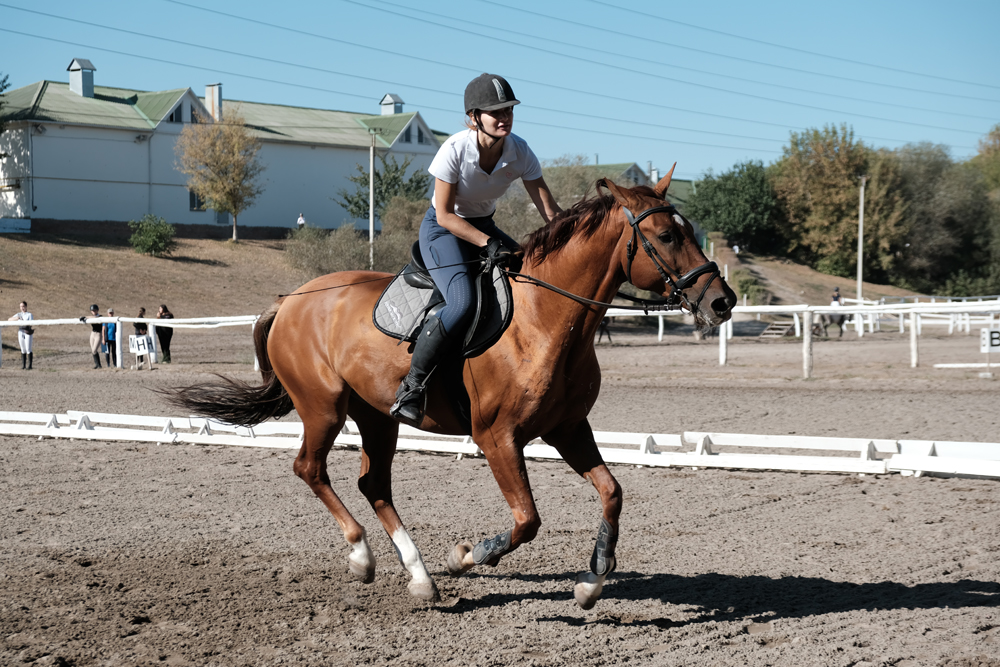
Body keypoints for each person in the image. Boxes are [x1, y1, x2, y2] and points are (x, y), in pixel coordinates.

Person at [390, 73, 563, 427]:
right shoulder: (453, 150)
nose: (505, 117)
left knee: (528, 281)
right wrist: (488, 242)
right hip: (443, 230)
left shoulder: (520, 151)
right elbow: (444, 214)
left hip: (484, 226)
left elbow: (549, 211)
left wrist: (573, 237)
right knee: (462, 301)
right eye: (495, 111)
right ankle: (412, 387)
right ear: (473, 117)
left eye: (509, 110)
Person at [8, 301, 34, 370]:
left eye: (23, 306)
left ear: (26, 306)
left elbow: (31, 323)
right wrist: (16, 318)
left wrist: (24, 322)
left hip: (27, 331)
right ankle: (23, 365)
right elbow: (9, 319)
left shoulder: (29, 314)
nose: (22, 308)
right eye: (21, 306)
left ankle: (30, 365)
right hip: (20, 331)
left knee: (28, 348)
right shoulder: (18, 314)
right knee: (22, 349)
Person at [79, 304, 104, 369]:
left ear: (97, 310)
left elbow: (96, 318)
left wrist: (85, 317)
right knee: (93, 350)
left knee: (94, 350)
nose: (94, 312)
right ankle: (97, 365)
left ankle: (99, 365)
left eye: (95, 310)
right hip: (93, 333)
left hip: (98, 334)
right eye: (92, 311)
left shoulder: (100, 316)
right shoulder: (90, 317)